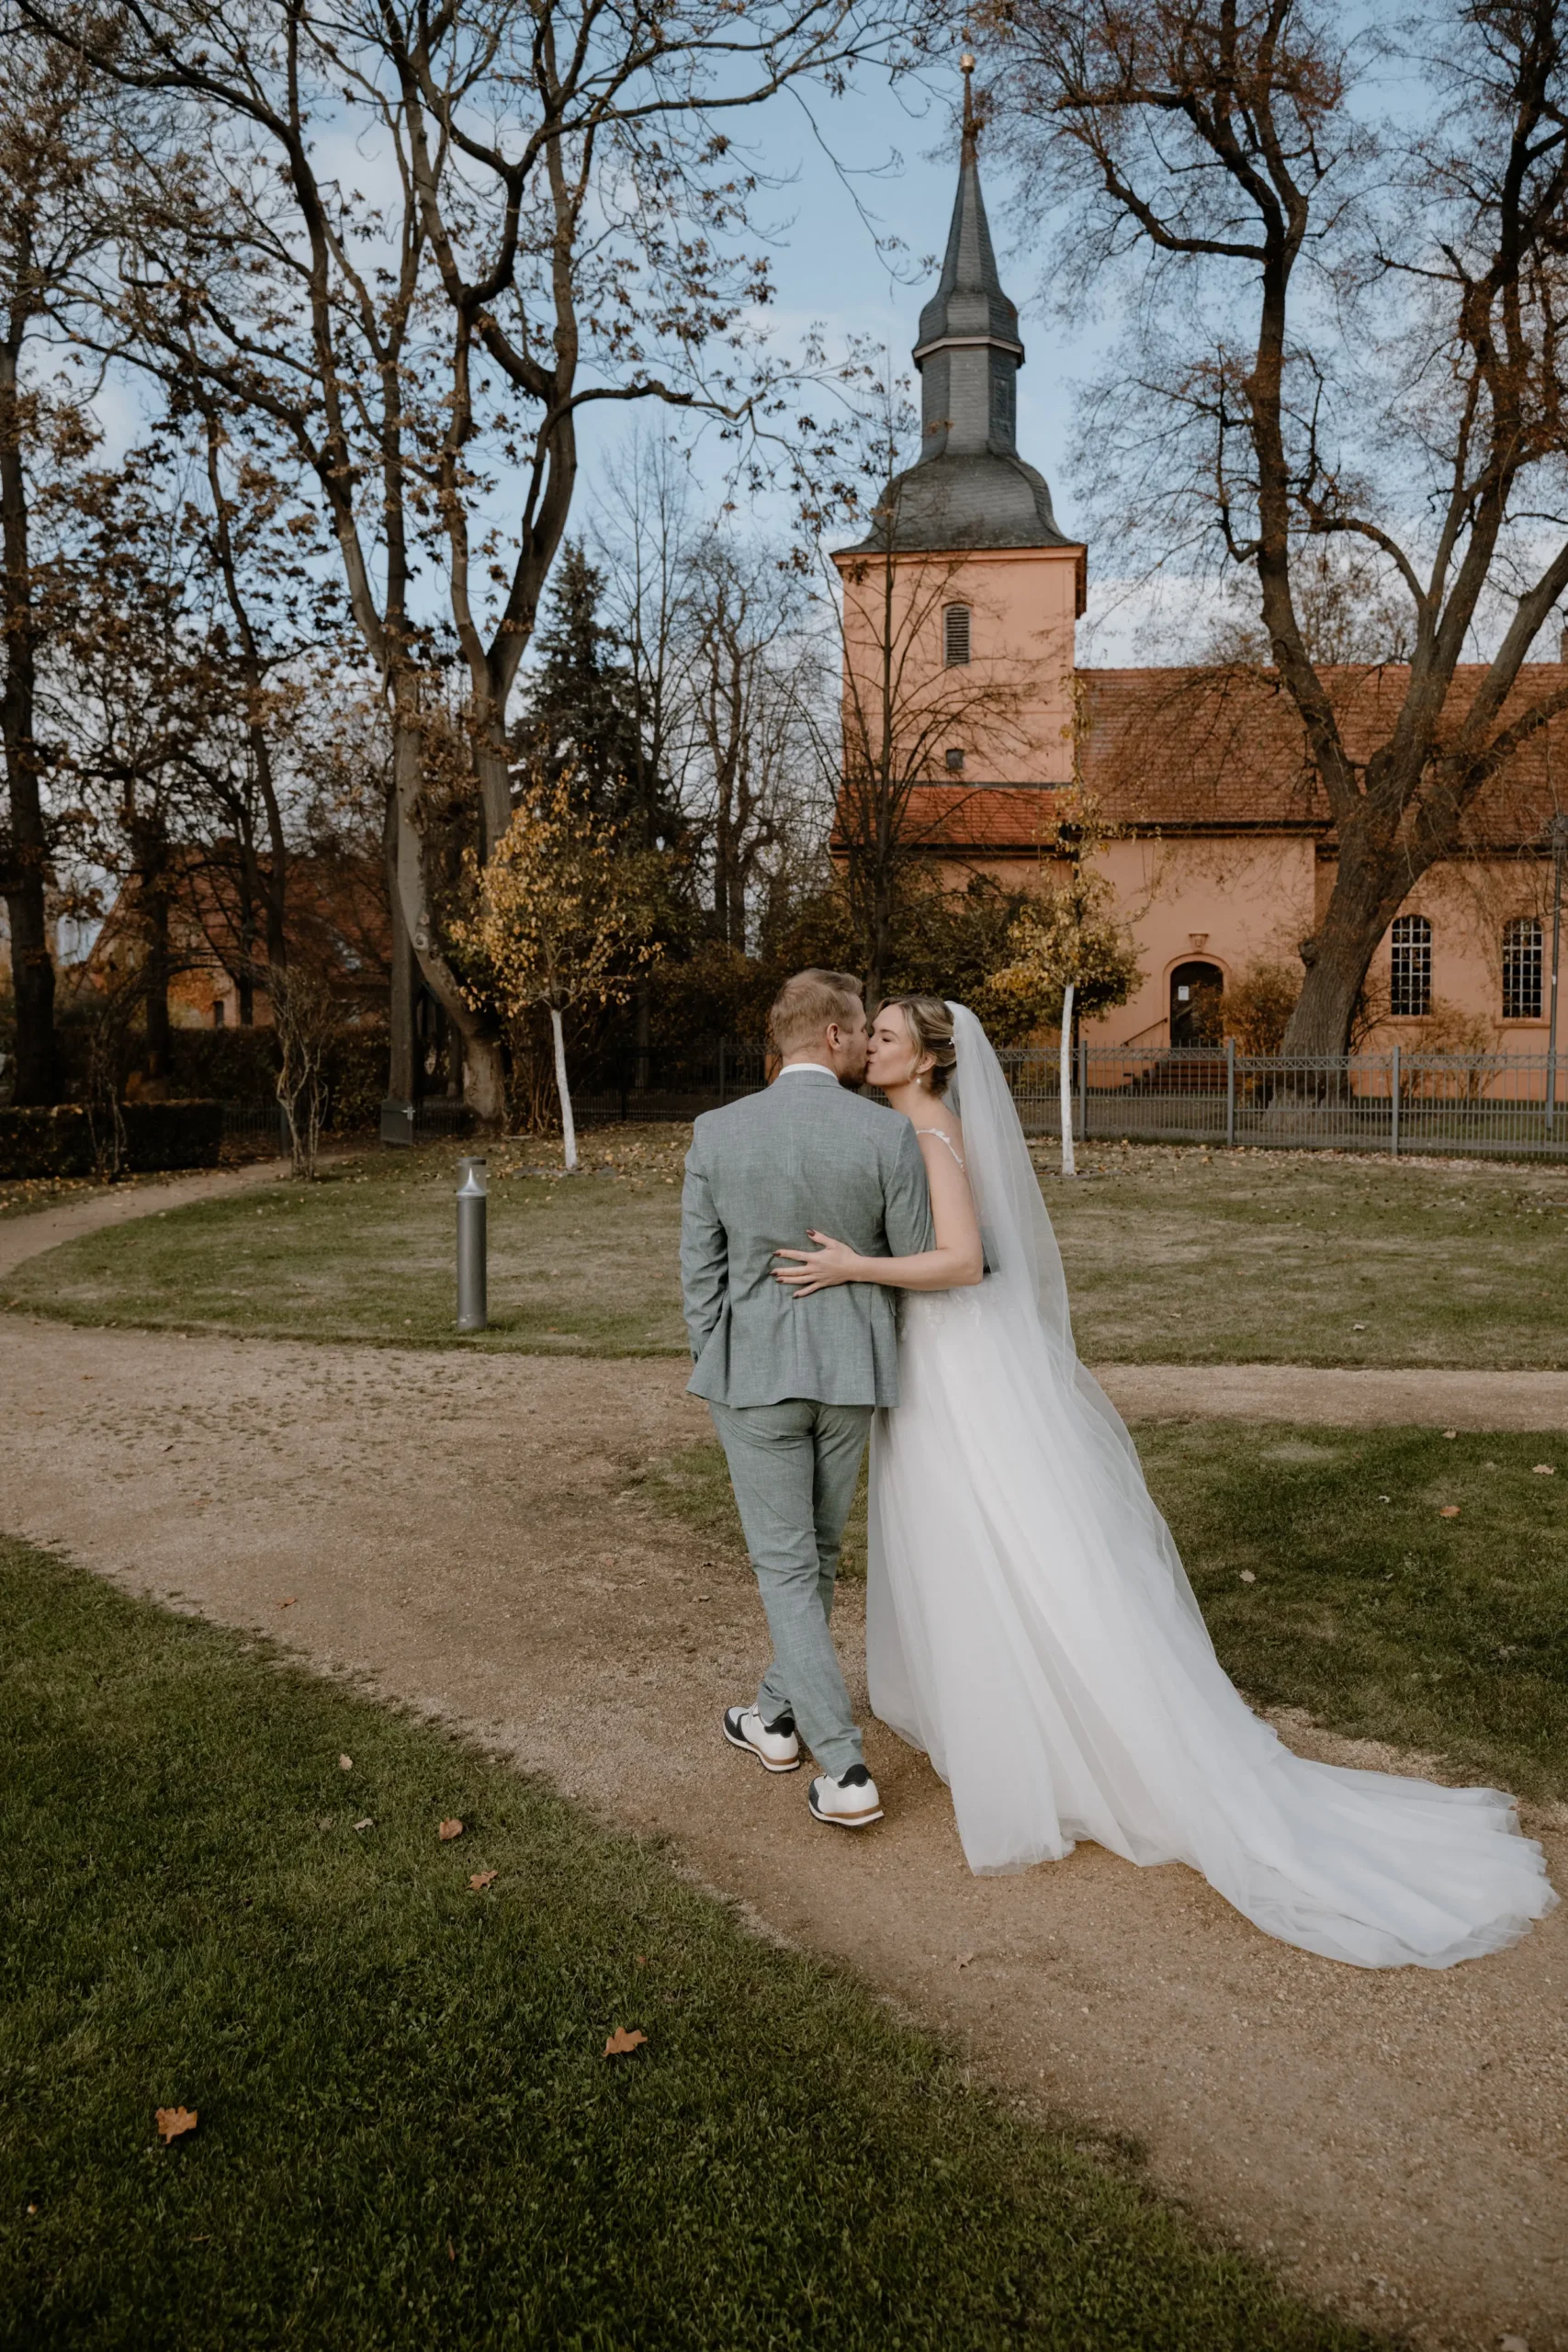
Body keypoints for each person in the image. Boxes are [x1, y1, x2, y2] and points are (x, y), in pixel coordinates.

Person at [772, 996, 1557, 1969]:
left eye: (887, 1036)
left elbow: (966, 1261)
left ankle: (1062, 1740)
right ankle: (1021, 1725)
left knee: (990, 1535)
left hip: (956, 1367)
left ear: (927, 1059)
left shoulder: (931, 1132)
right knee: (977, 1539)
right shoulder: (913, 1125)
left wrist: (858, 1267)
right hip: (947, 1360)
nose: (870, 1046)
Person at [680, 969, 949, 1829]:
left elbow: (699, 1272)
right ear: (833, 1035)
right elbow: (912, 1254)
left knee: (789, 1569)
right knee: (815, 1558)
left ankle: (844, 1767)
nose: (866, 1043)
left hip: (752, 1375)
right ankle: (773, 1717)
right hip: (851, 1372)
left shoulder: (718, 1131)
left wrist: (718, 1356)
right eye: (862, 1029)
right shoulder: (883, 1133)